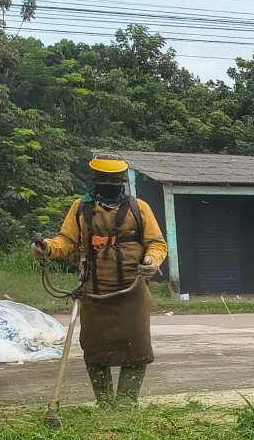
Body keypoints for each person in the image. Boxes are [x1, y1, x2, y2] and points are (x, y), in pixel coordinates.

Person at [32, 153, 167, 406]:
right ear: (95, 178)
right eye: (105, 178)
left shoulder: (139, 208)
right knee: (95, 350)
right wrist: (47, 247)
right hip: (93, 290)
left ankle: (125, 405)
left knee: (136, 349)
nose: (109, 183)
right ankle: (104, 404)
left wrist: (151, 260)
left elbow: (157, 243)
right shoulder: (81, 208)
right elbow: (67, 241)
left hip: (132, 290)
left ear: (122, 180)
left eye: (114, 179)